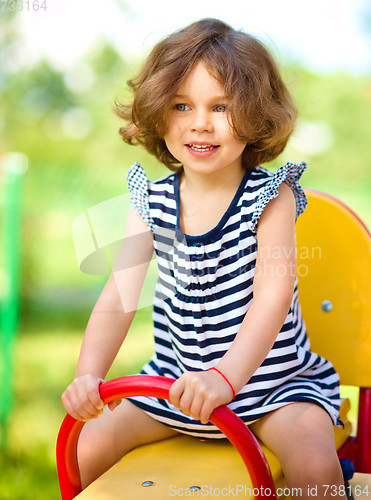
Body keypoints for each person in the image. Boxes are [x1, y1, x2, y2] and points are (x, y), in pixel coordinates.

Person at [62, 18, 345, 497]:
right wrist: (88, 374)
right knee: (88, 446)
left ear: (255, 116)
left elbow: (272, 298)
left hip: (273, 391)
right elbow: (120, 296)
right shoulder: (152, 203)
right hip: (174, 388)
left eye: (222, 107)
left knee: (315, 464)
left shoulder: (269, 197)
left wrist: (225, 378)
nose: (200, 122)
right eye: (181, 105)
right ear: (158, 113)